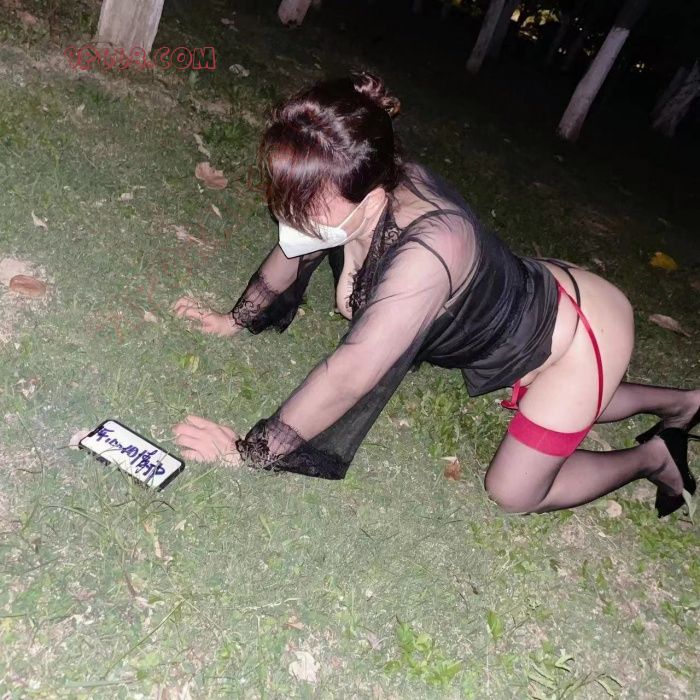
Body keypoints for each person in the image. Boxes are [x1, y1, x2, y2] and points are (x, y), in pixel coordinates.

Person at [171, 71, 699, 518]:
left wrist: (252, 452)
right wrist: (235, 319)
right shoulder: (359, 178)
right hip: (534, 295)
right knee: (558, 400)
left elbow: (352, 372)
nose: (291, 212)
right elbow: (298, 240)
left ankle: (654, 457)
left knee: (513, 492)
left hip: (581, 334)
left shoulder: (430, 249)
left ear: (371, 199)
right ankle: (684, 402)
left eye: (307, 203)